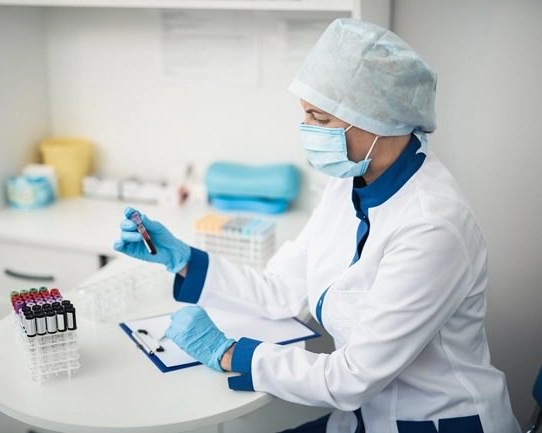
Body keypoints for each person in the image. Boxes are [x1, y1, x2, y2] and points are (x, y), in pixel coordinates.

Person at [113, 18, 520, 433]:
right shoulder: (348, 180)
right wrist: (183, 259)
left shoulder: (433, 227)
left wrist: (228, 352)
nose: (307, 132)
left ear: (377, 119)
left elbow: (352, 377)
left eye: (319, 119)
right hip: (363, 415)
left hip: (429, 422)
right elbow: (286, 289)